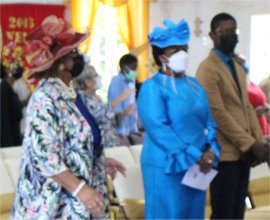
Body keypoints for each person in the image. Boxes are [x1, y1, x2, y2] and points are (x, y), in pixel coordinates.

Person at [12, 15, 126, 219]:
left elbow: (76, 143)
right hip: (54, 205)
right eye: (73, 53)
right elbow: (46, 158)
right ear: (61, 63)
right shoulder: (45, 97)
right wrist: (81, 189)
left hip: (81, 200)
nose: (79, 57)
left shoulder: (74, 95)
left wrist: (98, 160)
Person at [137, 18, 220, 219]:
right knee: (168, 214)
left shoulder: (194, 84)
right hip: (166, 164)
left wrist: (209, 150)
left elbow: (209, 121)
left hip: (198, 167)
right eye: (175, 51)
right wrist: (194, 154)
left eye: (184, 49)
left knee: (192, 214)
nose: (182, 54)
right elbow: (159, 128)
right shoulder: (152, 87)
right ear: (161, 56)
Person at [196, 12, 269, 219]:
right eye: (224, 31)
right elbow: (218, 114)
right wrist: (249, 143)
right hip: (224, 153)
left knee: (238, 211)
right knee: (223, 212)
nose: (230, 35)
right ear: (212, 35)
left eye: (232, 31)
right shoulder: (207, 69)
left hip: (242, 153)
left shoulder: (236, 66)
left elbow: (246, 108)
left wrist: (259, 141)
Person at [75, 63, 135, 147]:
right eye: (95, 75)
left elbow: (110, 120)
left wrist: (125, 113)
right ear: (88, 82)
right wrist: (122, 97)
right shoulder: (84, 99)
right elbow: (102, 115)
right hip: (101, 148)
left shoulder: (96, 97)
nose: (99, 77)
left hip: (111, 143)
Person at [108, 54, 143, 145]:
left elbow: (132, 104)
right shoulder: (116, 81)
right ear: (125, 67)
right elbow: (116, 106)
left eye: (136, 68)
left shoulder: (131, 80)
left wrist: (134, 129)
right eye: (133, 68)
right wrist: (121, 130)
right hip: (120, 129)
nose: (135, 71)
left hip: (130, 128)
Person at [0, 63, 23, 147]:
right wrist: (9, 143)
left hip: (14, 134)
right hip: (9, 138)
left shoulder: (8, 87)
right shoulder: (4, 88)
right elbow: (4, 118)